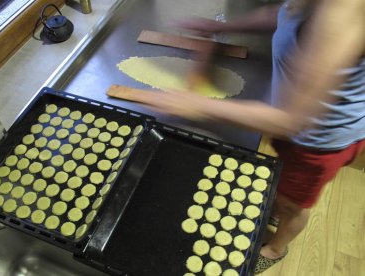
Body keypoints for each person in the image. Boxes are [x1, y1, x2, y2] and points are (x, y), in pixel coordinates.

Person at [137, 0, 365, 273]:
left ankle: (275, 248)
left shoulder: (343, 13)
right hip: (292, 121)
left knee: (292, 204)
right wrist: (222, 26)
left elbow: (292, 120)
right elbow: (282, 13)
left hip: (318, 143)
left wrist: (195, 105)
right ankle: (277, 204)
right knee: (282, 187)